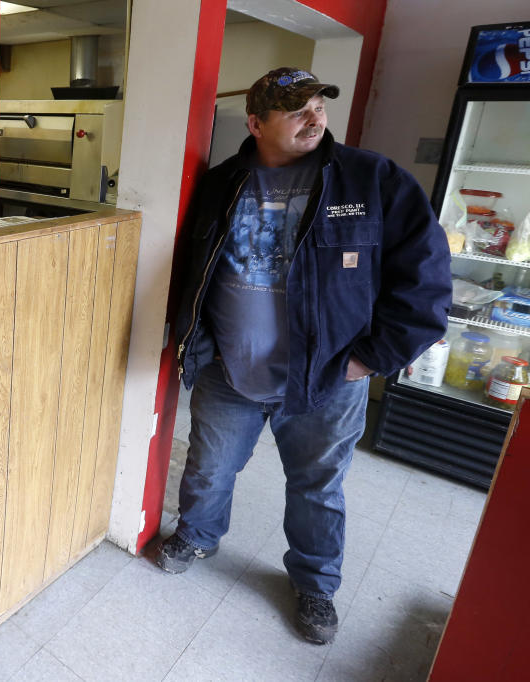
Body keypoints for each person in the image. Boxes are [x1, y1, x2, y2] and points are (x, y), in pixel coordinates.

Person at [159, 67, 452, 645]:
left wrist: (369, 361)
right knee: (209, 468)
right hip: (230, 369)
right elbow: (188, 269)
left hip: (327, 378)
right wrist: (189, 337)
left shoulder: (370, 180)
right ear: (256, 123)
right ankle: (197, 534)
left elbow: (425, 280)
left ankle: (315, 582)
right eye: (297, 110)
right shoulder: (221, 183)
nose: (315, 118)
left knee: (318, 486)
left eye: (319, 106)